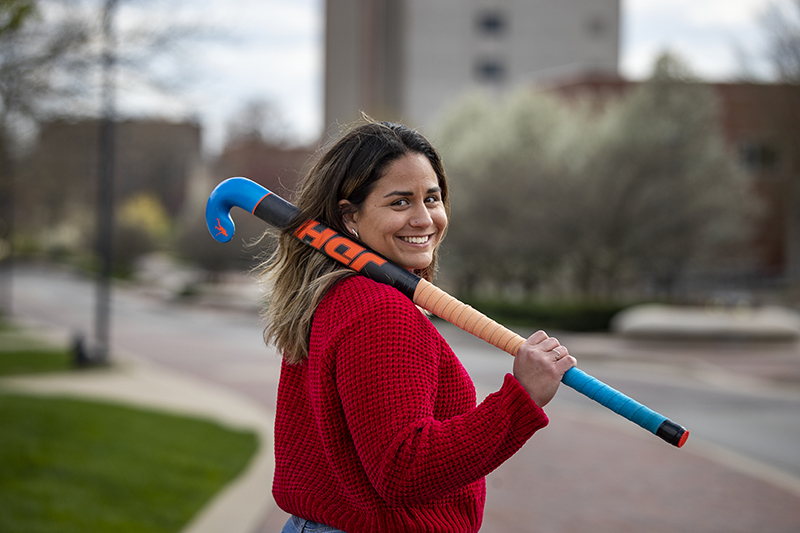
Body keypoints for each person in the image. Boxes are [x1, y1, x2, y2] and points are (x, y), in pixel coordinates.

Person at [260, 119, 576, 533]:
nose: (424, 218)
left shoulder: (338, 297)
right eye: (400, 202)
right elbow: (404, 468)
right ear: (349, 216)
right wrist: (520, 401)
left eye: (432, 198)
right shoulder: (380, 312)